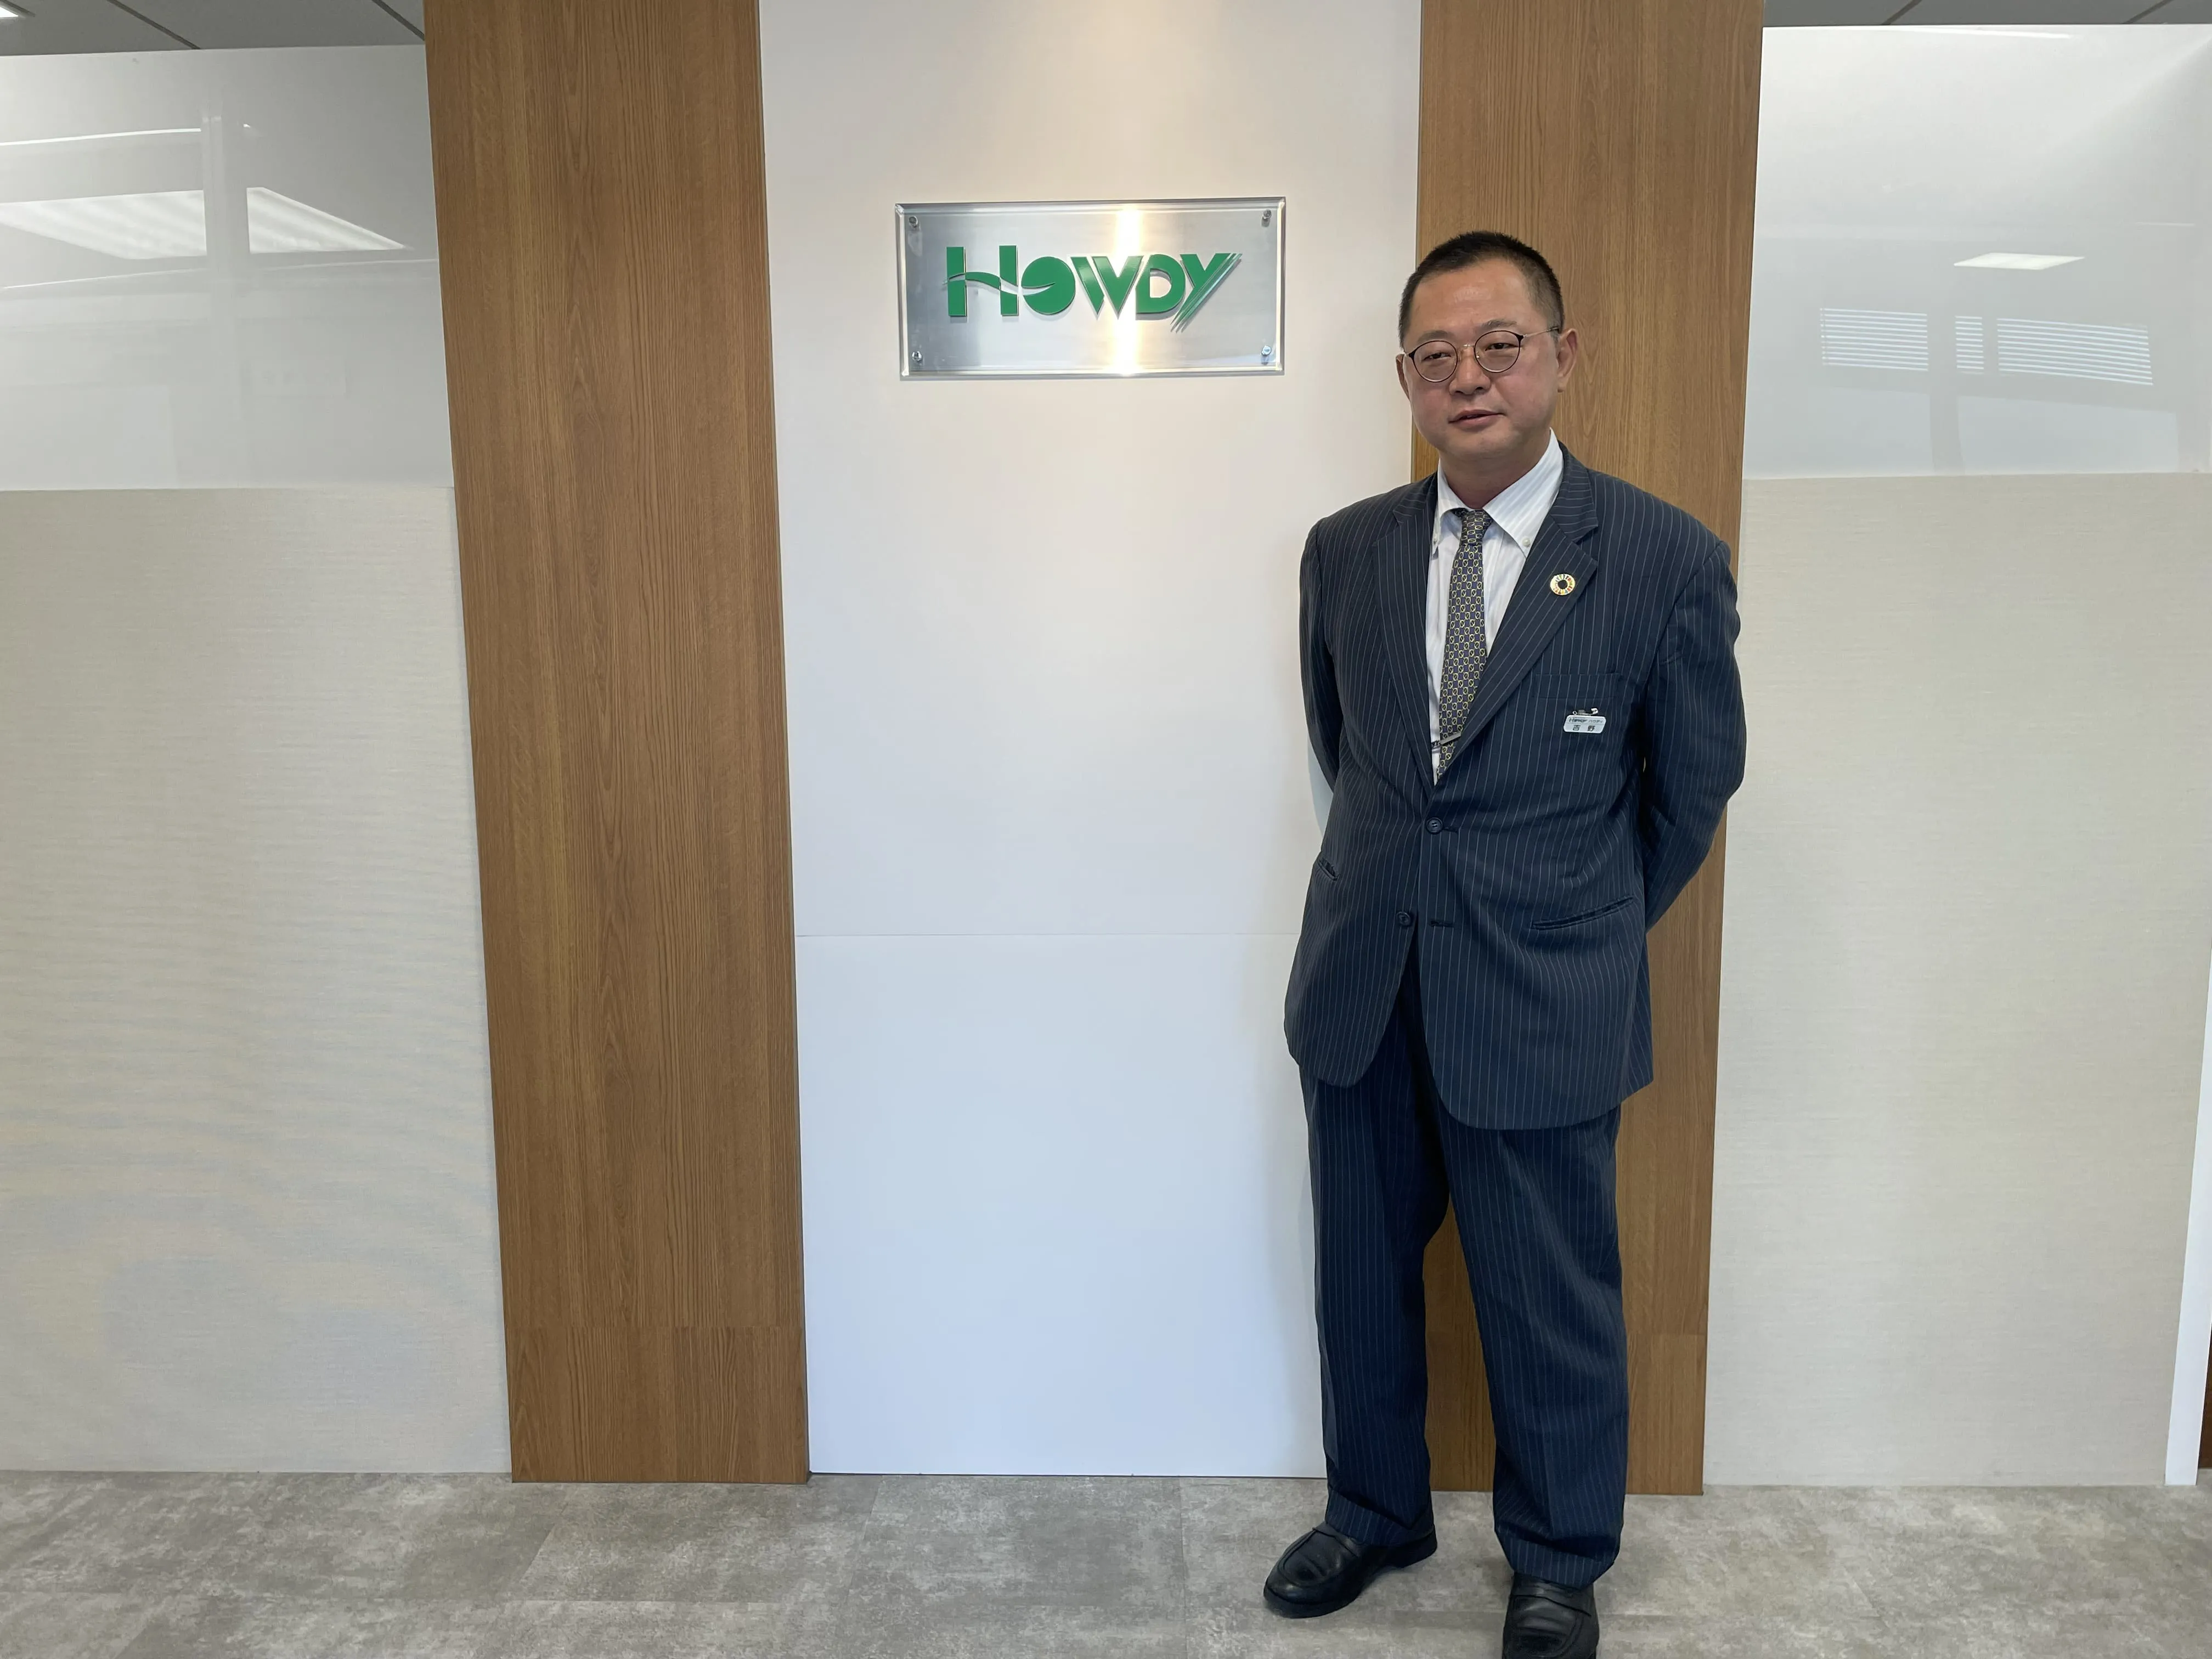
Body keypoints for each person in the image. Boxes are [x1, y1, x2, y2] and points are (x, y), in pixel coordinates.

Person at [1269, 230, 1746, 1659]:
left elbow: (1692, 787)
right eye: (1436, 355)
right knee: (1360, 1272)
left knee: (1550, 1297)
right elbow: (1349, 752)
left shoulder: (1659, 555)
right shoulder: (1347, 550)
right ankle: (1374, 1511)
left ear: (1561, 356)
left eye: (1499, 346)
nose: (1467, 377)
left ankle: (1558, 1558)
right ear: (1405, 377)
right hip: (1366, 976)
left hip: (1545, 990)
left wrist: (1582, 920)